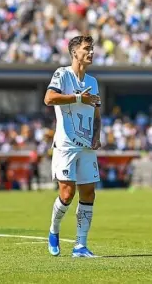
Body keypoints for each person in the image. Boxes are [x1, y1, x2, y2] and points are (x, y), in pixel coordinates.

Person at [44, 35, 102, 258]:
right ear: (74, 53)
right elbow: (49, 98)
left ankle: (80, 245)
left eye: (92, 49)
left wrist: (97, 135)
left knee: (88, 192)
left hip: (87, 146)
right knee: (67, 194)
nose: (91, 52)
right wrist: (78, 98)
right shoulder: (62, 73)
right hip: (66, 145)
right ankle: (54, 230)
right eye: (86, 49)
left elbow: (96, 112)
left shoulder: (93, 82)